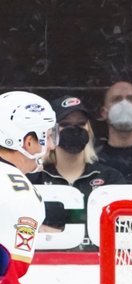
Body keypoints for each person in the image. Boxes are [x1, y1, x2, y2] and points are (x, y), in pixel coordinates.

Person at [0, 91, 55, 284]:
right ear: (27, 141)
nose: (48, 145)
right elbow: (4, 272)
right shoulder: (19, 193)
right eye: (44, 136)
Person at [28, 95, 126, 250]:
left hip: (100, 264)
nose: (74, 130)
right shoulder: (35, 179)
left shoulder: (110, 178)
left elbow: (125, 229)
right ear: (50, 132)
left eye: (81, 124)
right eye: (65, 124)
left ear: (89, 129)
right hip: (46, 266)